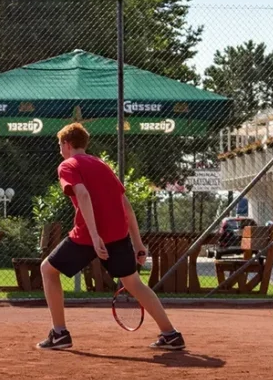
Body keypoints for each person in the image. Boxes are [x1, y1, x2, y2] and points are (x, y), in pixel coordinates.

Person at [37, 123, 186, 351]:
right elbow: (125, 205)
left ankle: (59, 334)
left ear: (67, 145)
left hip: (88, 235)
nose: (59, 150)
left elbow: (83, 195)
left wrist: (95, 236)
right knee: (134, 283)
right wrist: (137, 243)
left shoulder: (67, 165)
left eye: (60, 145)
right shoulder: (102, 165)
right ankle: (171, 334)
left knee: (48, 270)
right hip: (118, 235)